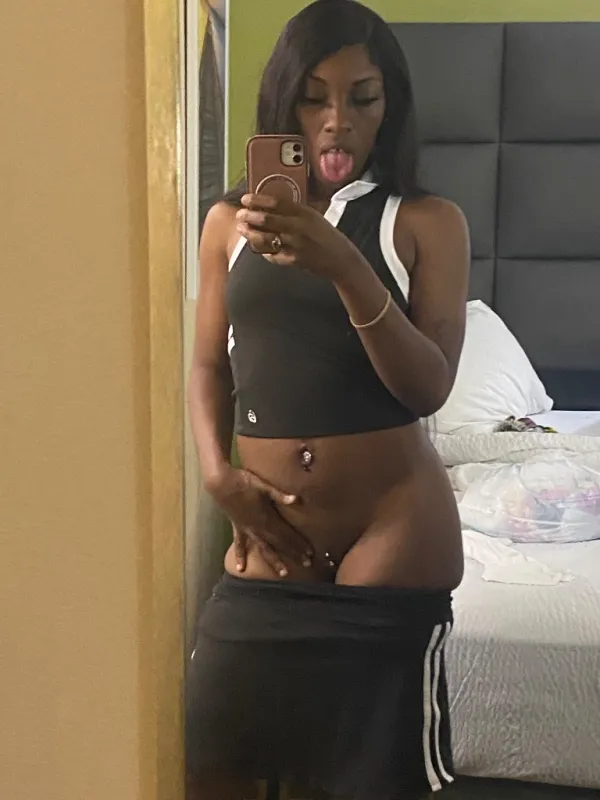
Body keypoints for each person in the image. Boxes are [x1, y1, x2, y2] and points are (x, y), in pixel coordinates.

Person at [186, 1, 470, 798]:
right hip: (270, 535)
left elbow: (427, 386)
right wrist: (216, 475)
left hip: (394, 532)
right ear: (284, 104)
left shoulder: (427, 223)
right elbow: (207, 366)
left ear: (390, 105)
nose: (337, 121)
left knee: (369, 782)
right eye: (314, 98)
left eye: (362, 97)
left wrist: (345, 265)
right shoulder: (228, 224)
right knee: (213, 761)